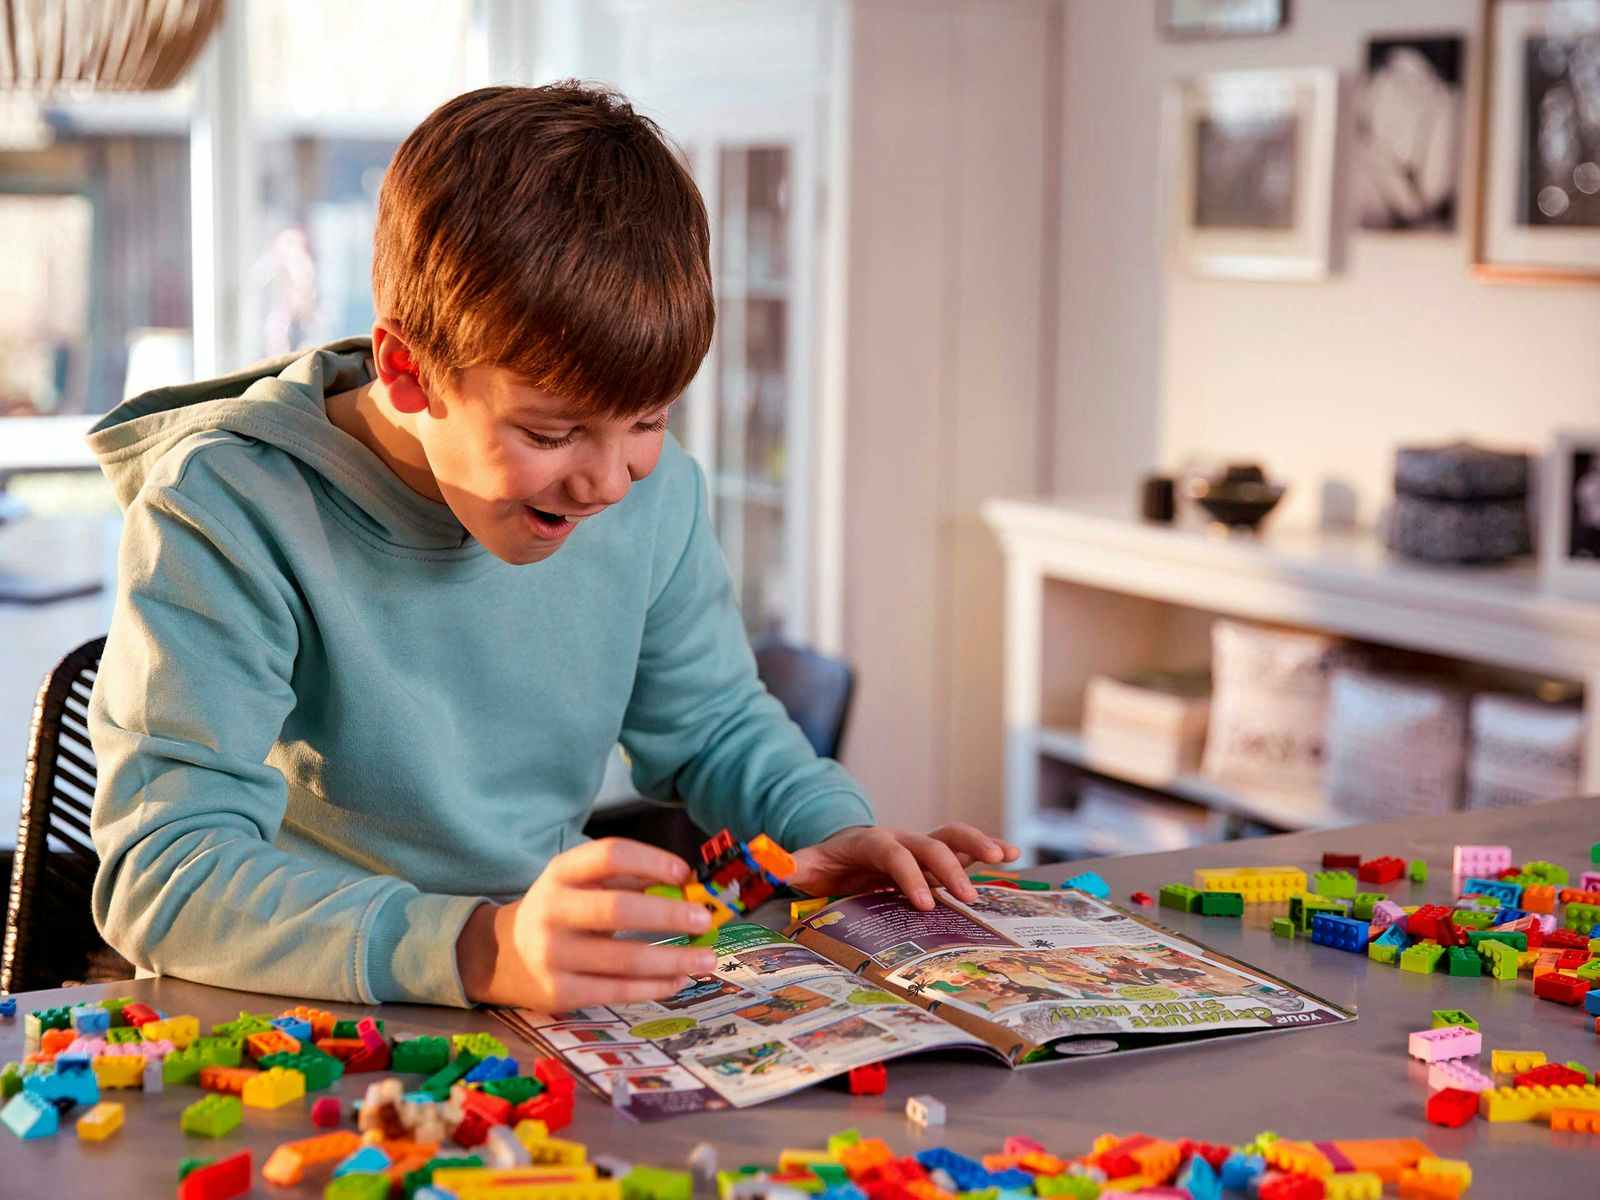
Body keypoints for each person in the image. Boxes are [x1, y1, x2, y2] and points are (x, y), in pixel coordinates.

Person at [87, 82, 1018, 1011]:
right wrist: (477, 947)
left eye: (647, 419)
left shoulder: (657, 495)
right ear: (410, 373)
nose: (610, 483)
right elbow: (167, 874)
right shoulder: (224, 509)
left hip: (541, 1000)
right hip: (294, 1004)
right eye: (551, 434)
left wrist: (824, 828)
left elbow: (712, 725)